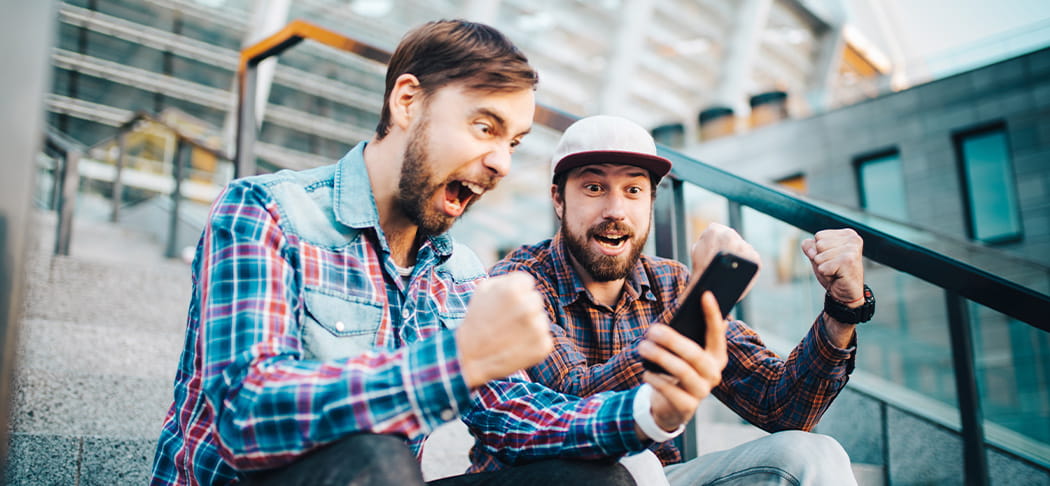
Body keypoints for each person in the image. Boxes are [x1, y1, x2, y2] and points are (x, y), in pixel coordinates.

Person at [150, 20, 637, 486]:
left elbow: (514, 412)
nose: (501, 163)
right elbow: (246, 415)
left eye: (513, 142)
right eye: (485, 128)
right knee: (371, 453)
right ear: (407, 101)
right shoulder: (268, 212)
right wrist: (459, 360)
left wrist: (647, 412)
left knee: (599, 479)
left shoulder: (458, 270)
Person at [477, 114, 875, 485]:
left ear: (651, 203)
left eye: (633, 190)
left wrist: (842, 310)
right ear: (558, 199)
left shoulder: (671, 282)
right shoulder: (517, 282)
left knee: (813, 453)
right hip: (549, 478)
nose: (615, 210)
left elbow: (781, 406)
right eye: (594, 188)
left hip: (659, 477)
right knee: (634, 462)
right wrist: (697, 306)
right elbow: (570, 401)